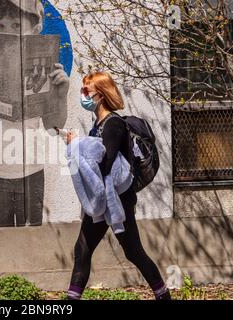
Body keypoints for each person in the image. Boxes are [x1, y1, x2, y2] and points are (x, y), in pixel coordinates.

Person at [0, 0, 69, 228]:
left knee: (31, 241)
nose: (6, 33)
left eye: (16, 26)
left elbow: (53, 127)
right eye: (0, 26)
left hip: (32, 170)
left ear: (36, 30)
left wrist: (61, 95)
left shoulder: (45, 68)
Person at [65, 71, 171, 300]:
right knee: (82, 249)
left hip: (118, 201)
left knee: (133, 252)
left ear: (100, 95)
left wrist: (77, 146)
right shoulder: (98, 125)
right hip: (104, 200)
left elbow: (105, 162)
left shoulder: (113, 124)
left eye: (86, 91)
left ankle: (163, 295)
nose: (82, 95)